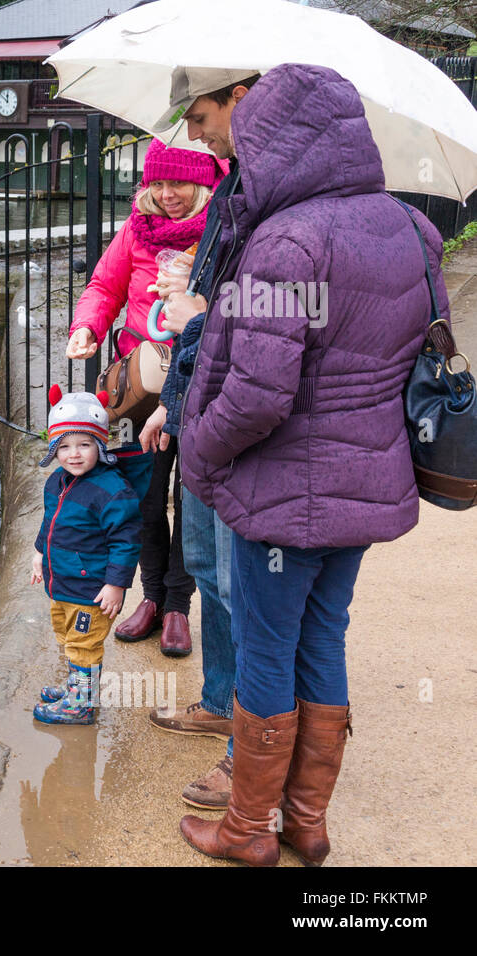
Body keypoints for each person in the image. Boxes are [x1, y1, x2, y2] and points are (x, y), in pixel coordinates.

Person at [171, 63, 442, 866]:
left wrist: (199, 450)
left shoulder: (287, 242)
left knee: (263, 647)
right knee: (323, 641)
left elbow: (257, 396)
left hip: (286, 495)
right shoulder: (412, 230)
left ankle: (247, 831)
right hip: (367, 487)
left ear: (277, 140)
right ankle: (308, 823)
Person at [138, 69, 258, 812]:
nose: (194, 132)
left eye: (203, 115)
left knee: (252, 594)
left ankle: (252, 763)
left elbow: (258, 335)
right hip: (202, 418)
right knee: (210, 567)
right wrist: (172, 409)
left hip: (237, 433)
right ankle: (218, 702)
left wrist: (197, 316)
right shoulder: (239, 191)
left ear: (241, 102)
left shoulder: (270, 205)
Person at [67, 140, 228, 657]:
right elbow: (103, 286)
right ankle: (152, 596)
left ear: (204, 181)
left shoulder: (224, 235)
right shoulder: (137, 230)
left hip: (205, 382)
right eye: (156, 184)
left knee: (194, 498)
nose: (166, 195)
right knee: (145, 496)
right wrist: (87, 325)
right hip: (142, 389)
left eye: (177, 183)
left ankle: (179, 603)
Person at [30, 388, 142, 725]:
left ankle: (81, 704)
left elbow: (126, 540)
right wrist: (39, 553)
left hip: (91, 589)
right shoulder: (56, 482)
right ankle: (76, 686)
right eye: (63, 446)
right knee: (68, 637)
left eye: (83, 444)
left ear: (100, 445)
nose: (73, 455)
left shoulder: (111, 490)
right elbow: (50, 522)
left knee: (84, 644)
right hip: (62, 583)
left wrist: (116, 584)